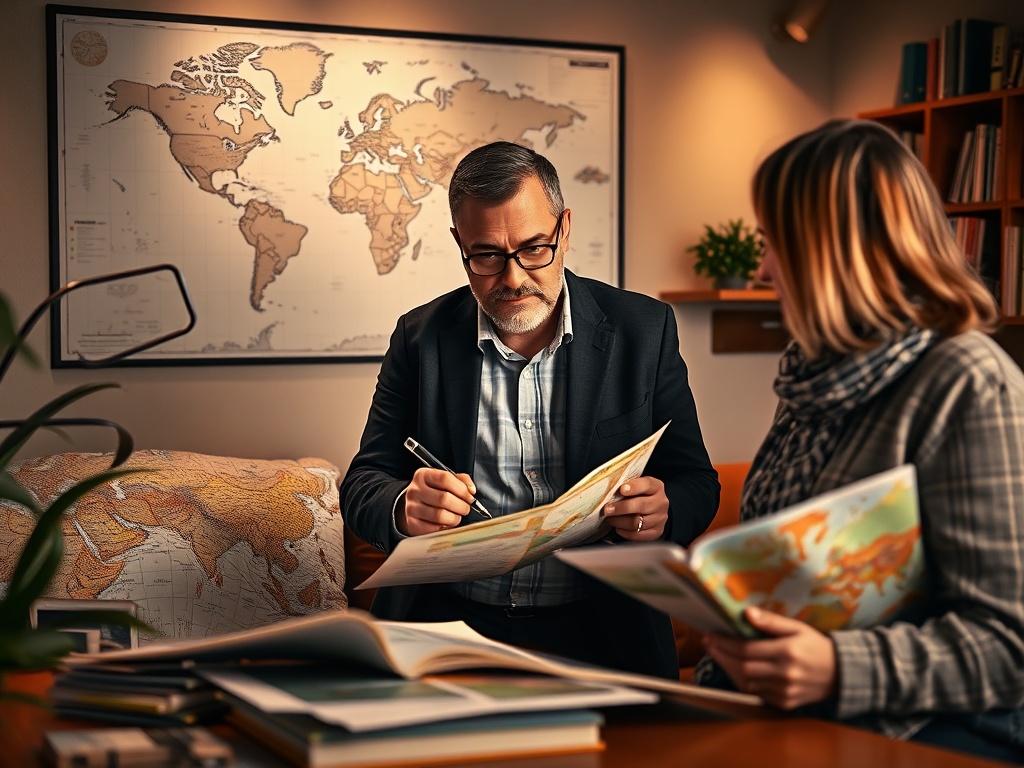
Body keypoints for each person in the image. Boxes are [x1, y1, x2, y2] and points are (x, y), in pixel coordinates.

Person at [699, 119, 1024, 760]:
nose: (762, 269)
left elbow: (1010, 645)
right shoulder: (814, 379)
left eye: (774, 244)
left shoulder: (967, 383)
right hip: (796, 725)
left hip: (931, 741)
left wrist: (840, 666)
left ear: (834, 251)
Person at [341, 141, 719, 679]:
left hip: (606, 636)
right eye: (487, 256)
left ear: (564, 229)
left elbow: (695, 480)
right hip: (448, 635)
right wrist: (403, 506)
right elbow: (363, 482)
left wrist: (665, 510)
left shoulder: (644, 329)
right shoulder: (418, 339)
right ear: (459, 244)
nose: (513, 279)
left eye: (534, 248)